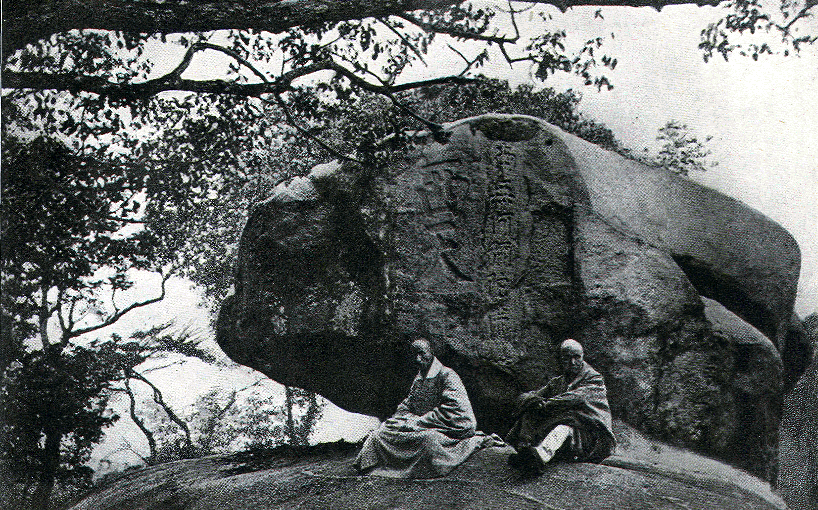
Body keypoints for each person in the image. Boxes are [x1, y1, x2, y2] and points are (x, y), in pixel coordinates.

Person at [353, 338, 485, 478]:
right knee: (380, 433)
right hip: (419, 424)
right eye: (414, 355)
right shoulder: (419, 378)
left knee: (429, 440)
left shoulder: (447, 375)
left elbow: (455, 409)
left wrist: (420, 421)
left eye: (422, 353)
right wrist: (401, 419)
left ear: (431, 352)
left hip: (445, 427)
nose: (418, 359)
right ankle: (374, 468)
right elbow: (408, 404)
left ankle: (406, 471)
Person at [506, 339, 615, 475]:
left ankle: (538, 458)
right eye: (567, 358)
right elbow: (530, 396)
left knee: (563, 427)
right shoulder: (558, 382)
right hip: (570, 437)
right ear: (560, 359)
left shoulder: (594, 380)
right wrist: (532, 400)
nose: (573, 362)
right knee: (532, 409)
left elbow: (574, 398)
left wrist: (544, 404)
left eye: (577, 357)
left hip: (590, 437)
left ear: (582, 356)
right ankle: (524, 451)